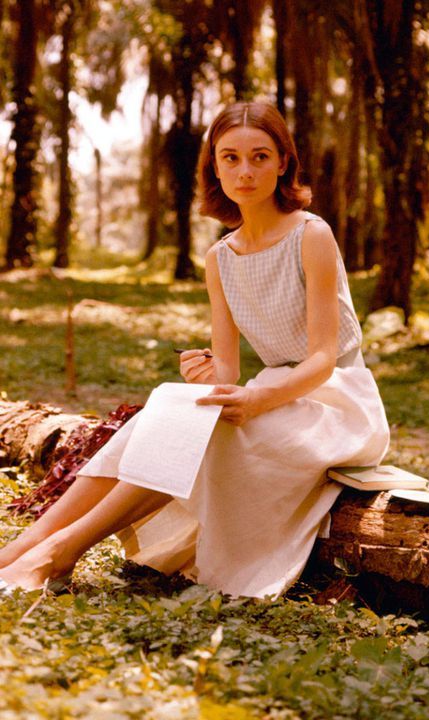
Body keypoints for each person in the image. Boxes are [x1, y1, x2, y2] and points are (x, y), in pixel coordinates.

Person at [0, 102, 389, 598]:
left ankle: (58, 555)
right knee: (161, 414)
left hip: (336, 405)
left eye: (260, 157)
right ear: (214, 166)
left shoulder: (311, 235)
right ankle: (20, 551)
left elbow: (322, 360)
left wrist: (256, 402)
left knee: (195, 433)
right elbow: (228, 368)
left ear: (283, 163)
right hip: (268, 393)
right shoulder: (220, 257)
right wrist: (206, 374)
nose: (245, 171)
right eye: (230, 158)